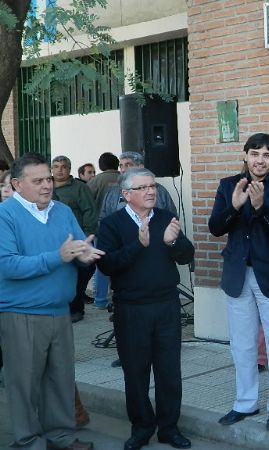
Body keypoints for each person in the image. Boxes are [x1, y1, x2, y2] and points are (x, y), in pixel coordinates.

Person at [0, 153, 101, 450]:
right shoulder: (5, 216)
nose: (47, 185)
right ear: (17, 184)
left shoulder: (62, 211)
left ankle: (61, 437)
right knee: (25, 383)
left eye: (48, 179)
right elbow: (8, 265)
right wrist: (58, 257)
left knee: (60, 379)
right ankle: (28, 441)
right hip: (21, 313)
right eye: (38, 181)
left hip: (60, 310)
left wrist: (84, 256)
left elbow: (77, 247)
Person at [96, 168, 194, 450]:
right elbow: (107, 265)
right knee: (136, 373)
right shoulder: (112, 224)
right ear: (126, 194)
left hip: (166, 306)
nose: (151, 191)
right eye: (143, 187)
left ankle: (169, 428)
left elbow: (186, 255)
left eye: (153, 186)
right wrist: (138, 245)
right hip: (131, 309)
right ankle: (141, 428)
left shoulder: (164, 218)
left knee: (169, 372)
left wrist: (173, 241)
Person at [208, 133, 269, 431]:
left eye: (267, 155)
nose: (260, 160)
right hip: (238, 274)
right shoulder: (228, 185)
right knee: (242, 344)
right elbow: (215, 227)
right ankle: (245, 402)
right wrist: (234, 207)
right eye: (255, 153)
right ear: (245, 155)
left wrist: (261, 208)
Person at [96, 152, 177, 311]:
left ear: (141, 166)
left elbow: (174, 222)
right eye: (121, 165)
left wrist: (172, 241)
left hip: (162, 293)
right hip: (128, 296)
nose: (123, 169)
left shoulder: (161, 194)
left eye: (128, 165)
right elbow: (103, 218)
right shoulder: (112, 193)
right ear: (126, 194)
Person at [52, 155, 99, 323]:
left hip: (77, 240)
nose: (59, 170)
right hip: (53, 241)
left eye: (63, 167)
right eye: (56, 166)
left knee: (79, 276)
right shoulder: (46, 186)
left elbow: (90, 212)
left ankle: (76, 309)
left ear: (69, 169)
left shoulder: (80, 188)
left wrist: (87, 238)